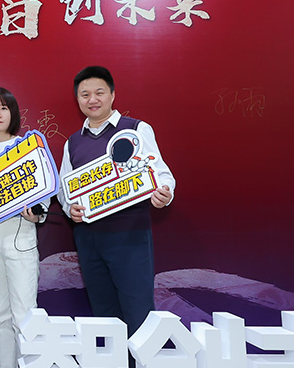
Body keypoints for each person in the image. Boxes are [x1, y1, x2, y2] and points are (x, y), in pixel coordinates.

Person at [57, 66, 175, 366]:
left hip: (129, 236)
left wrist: (164, 192)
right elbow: (64, 190)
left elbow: (161, 174)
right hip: (89, 240)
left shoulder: (136, 130)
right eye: (85, 94)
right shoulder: (73, 142)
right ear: (77, 100)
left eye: (99, 92)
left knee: (138, 313)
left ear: (112, 94)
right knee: (105, 316)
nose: (92, 99)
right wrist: (70, 208)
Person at [0, 87, 48, 368]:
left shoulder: (27, 147)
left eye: (3, 108)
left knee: (25, 315)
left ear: (13, 113)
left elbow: (44, 191)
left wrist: (36, 216)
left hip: (21, 236)